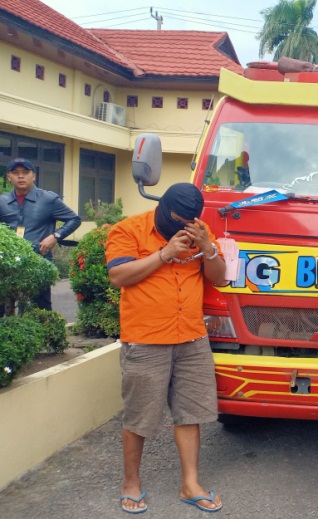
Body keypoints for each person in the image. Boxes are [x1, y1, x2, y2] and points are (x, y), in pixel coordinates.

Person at [105, 183, 226, 514]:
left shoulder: (199, 231)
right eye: (176, 218)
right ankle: (131, 482)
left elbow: (218, 277)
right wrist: (164, 254)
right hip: (145, 340)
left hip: (191, 338)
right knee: (139, 416)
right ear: (163, 209)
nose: (182, 225)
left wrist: (208, 248)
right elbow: (118, 275)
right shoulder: (128, 229)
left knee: (190, 413)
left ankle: (191, 484)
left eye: (189, 220)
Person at [0, 158, 81, 312]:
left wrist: (55, 236)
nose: (21, 176)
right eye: (15, 173)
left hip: (38, 261)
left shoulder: (48, 199)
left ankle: (45, 335)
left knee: (39, 308)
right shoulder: (2, 201)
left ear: (34, 176)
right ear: (9, 177)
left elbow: (74, 219)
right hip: (7, 265)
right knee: (3, 307)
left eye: (25, 172)